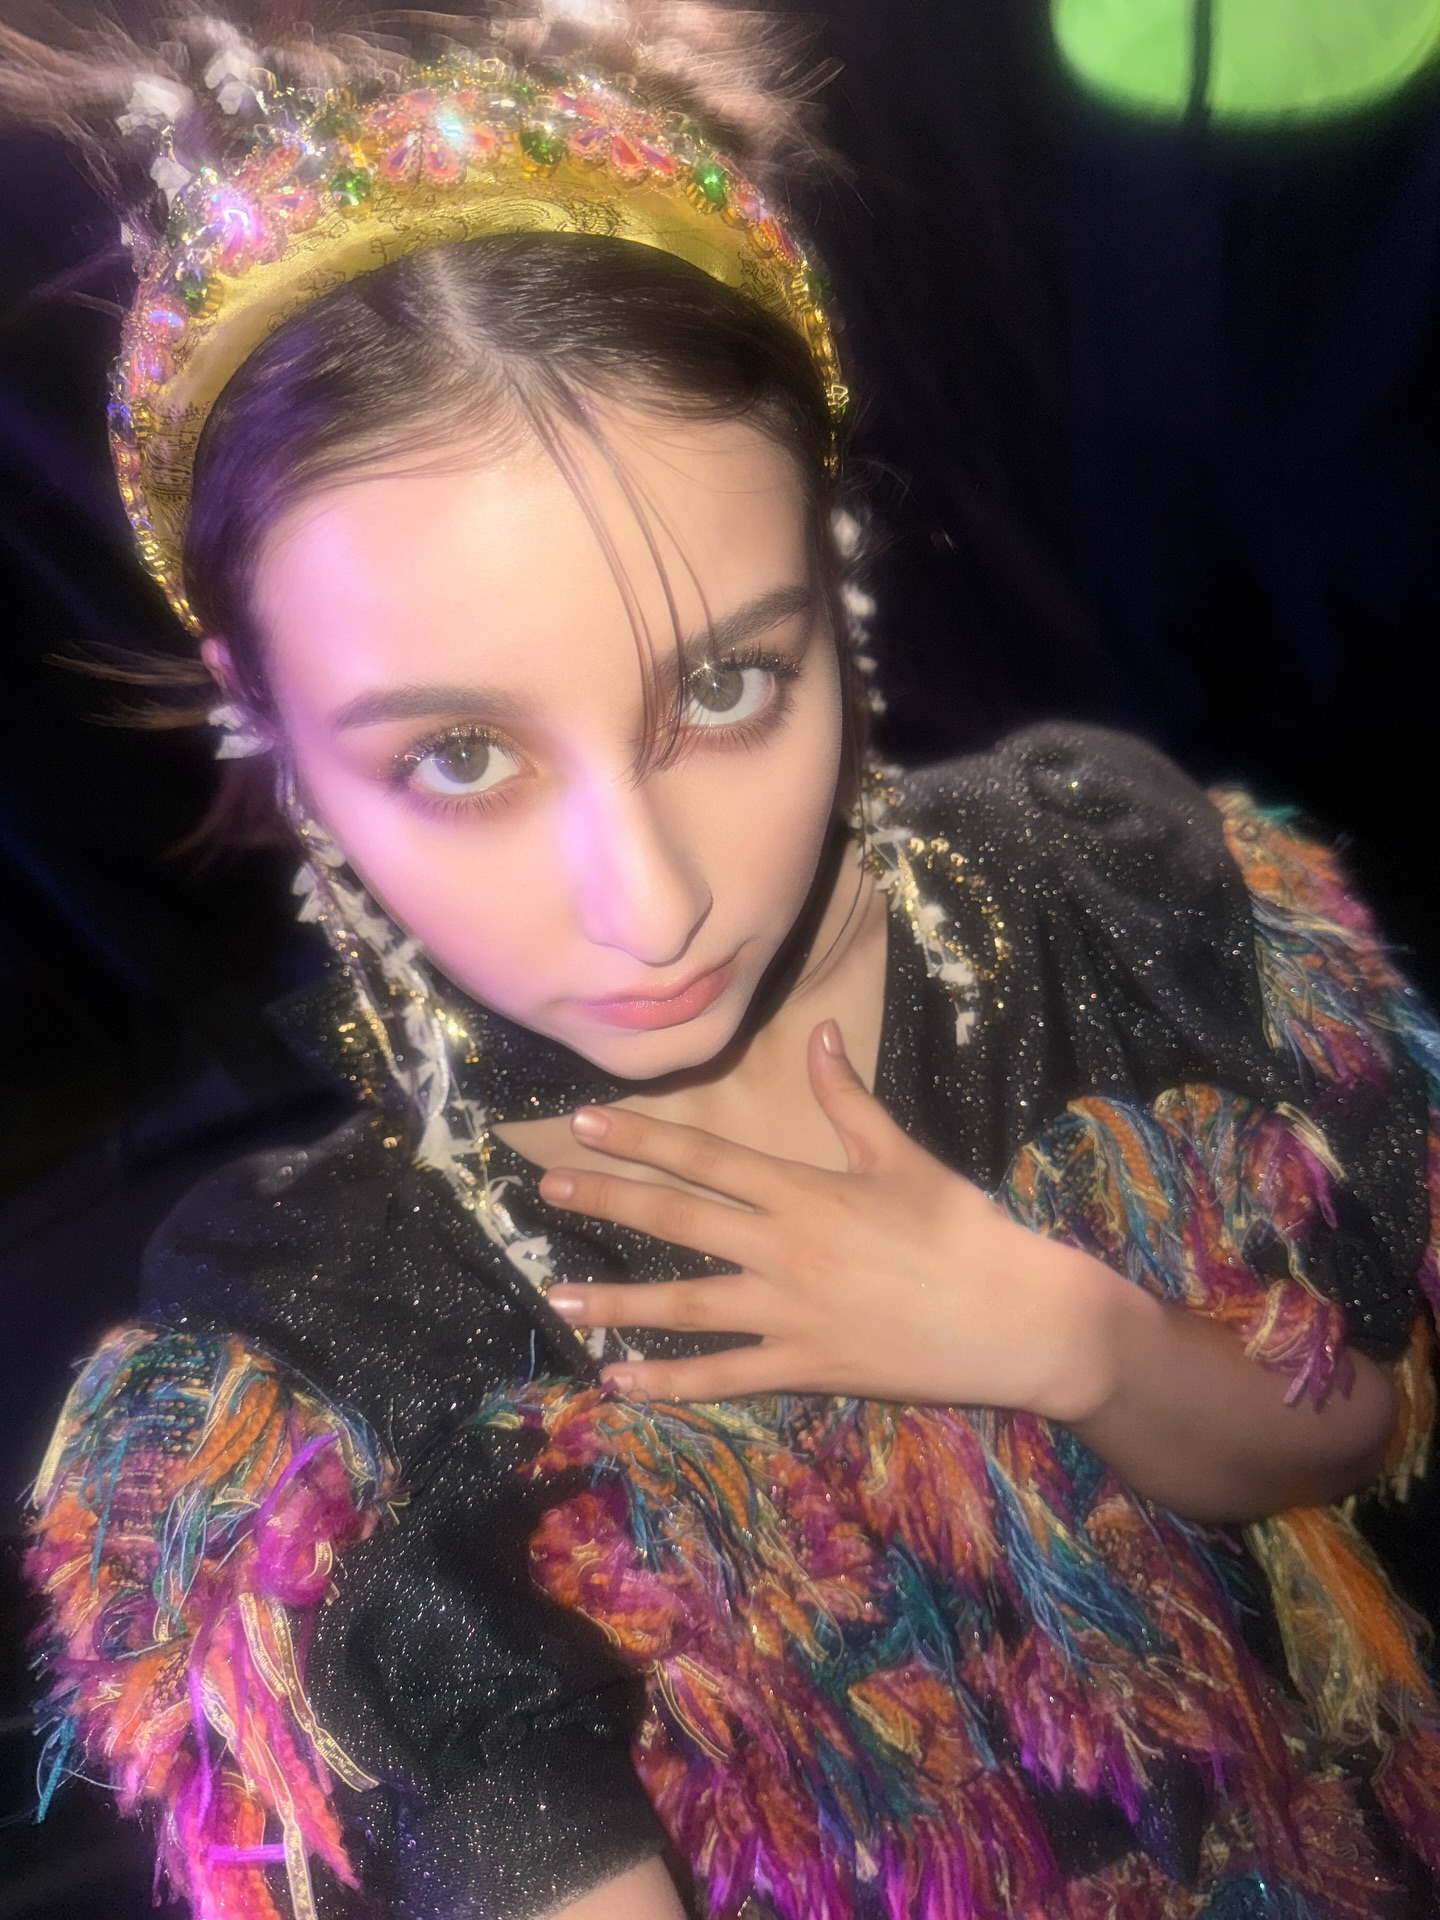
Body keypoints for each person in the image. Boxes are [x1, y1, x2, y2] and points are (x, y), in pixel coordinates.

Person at [15, 6, 1440, 1917]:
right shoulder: (339, 1355)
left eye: (726, 687)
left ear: (833, 578)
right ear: (261, 718)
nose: (651, 906)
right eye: (461, 758)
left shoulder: (1111, 896)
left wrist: (1070, 1336)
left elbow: (1356, 1430)